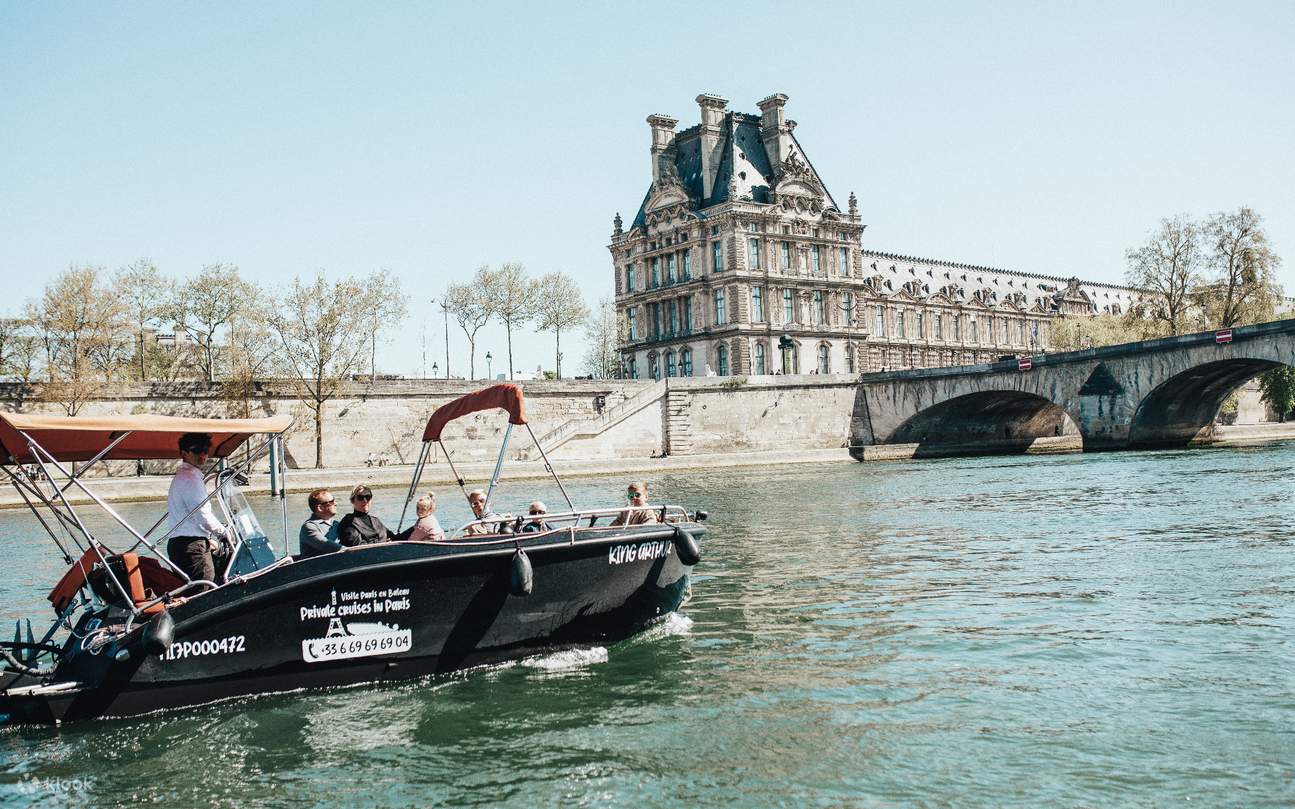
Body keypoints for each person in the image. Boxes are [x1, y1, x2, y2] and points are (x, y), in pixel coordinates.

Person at [166, 432, 232, 583]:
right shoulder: (190, 478)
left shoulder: (184, 475)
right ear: (184, 453)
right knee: (205, 586)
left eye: (205, 451)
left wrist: (209, 539)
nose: (202, 455)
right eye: (196, 451)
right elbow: (202, 514)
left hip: (182, 544)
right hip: (191, 546)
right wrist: (223, 532)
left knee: (197, 587)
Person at [299, 488, 341, 558]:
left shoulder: (336, 524)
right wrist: (351, 550)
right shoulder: (309, 527)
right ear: (320, 508)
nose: (336, 504)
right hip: (316, 567)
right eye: (331, 502)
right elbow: (326, 545)